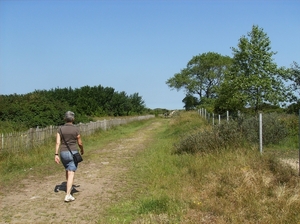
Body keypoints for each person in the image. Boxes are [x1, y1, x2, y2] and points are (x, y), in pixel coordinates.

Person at [54, 111, 84, 202]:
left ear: (65, 118)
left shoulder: (60, 129)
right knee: (71, 172)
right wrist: (82, 149)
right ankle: (68, 195)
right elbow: (80, 142)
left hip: (63, 153)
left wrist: (56, 154)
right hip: (73, 152)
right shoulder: (76, 129)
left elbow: (58, 142)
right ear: (73, 119)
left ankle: (68, 188)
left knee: (67, 169)